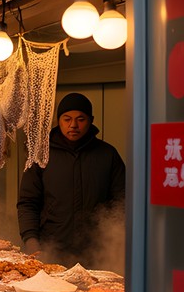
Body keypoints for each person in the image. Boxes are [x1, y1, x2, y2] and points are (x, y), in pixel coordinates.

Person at [17, 92, 126, 267]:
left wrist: (117, 243)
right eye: (67, 119)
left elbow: (121, 203)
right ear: (59, 120)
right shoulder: (41, 155)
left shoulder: (107, 154)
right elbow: (28, 202)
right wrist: (31, 241)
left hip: (98, 251)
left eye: (80, 119)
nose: (73, 125)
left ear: (91, 120)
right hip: (51, 249)